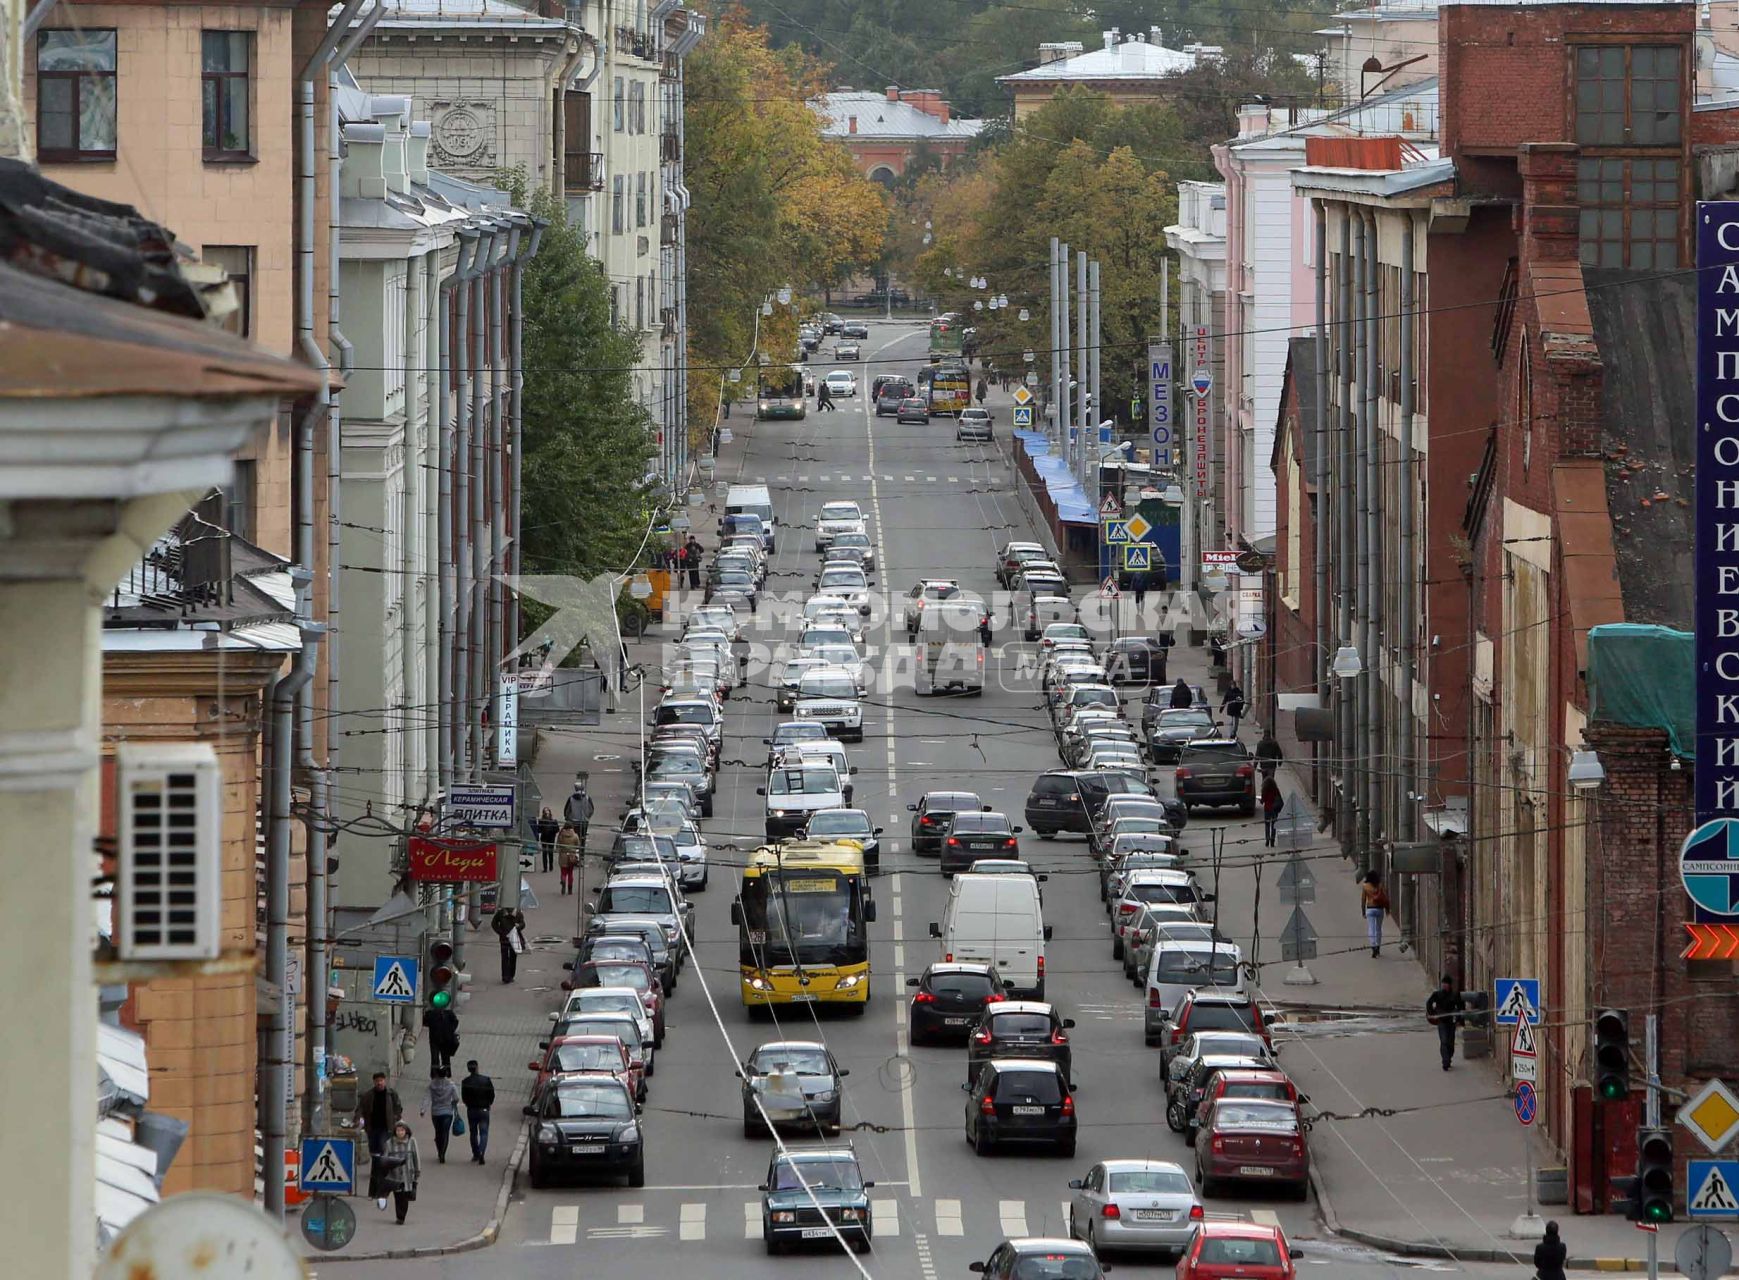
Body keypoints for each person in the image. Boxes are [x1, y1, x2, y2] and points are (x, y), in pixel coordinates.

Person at [354, 1071, 404, 1198]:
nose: (379, 1083)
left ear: (385, 1081)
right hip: (372, 1129)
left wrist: (396, 1118)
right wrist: (358, 1119)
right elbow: (360, 1109)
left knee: (381, 1153)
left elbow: (398, 1107)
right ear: (374, 1082)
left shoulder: (391, 1094)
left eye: (381, 1080)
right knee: (375, 1154)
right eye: (377, 1081)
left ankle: (379, 1183)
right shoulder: (369, 1095)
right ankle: (377, 1183)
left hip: (386, 1129)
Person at [380, 1120, 421, 1223]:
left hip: (408, 1174)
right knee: (398, 1197)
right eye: (398, 1130)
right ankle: (400, 1217)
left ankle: (402, 1216)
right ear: (395, 1131)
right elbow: (385, 1159)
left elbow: (416, 1157)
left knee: (405, 1198)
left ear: (406, 1131)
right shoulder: (389, 1143)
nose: (400, 1132)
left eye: (402, 1130)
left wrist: (417, 1170)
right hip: (395, 1175)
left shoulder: (412, 1141)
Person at [1425, 975, 1466, 1072]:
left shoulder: (1455, 995)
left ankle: (1449, 1057)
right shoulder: (1437, 994)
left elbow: (1461, 1008)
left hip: (1451, 1021)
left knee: (1450, 1042)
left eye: (1446, 984)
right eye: (1443, 984)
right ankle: (1445, 1061)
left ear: (1449, 985)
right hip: (1441, 1021)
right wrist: (1432, 1013)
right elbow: (1429, 1003)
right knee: (1444, 1041)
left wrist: (1460, 1020)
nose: (1444, 986)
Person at [460, 1059, 496, 1164]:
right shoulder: (486, 1080)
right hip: (484, 1109)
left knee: (473, 1133)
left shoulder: (465, 1081)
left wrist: (468, 1104)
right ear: (477, 1068)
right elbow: (492, 1094)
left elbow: (464, 1097)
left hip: (471, 1110)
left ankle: (476, 1154)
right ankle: (481, 1152)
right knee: (484, 1132)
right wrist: (489, 1103)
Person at [421, 1066, 459, 1162]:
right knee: (445, 1133)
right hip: (447, 1112)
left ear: (437, 1074)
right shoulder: (451, 1085)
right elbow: (456, 1098)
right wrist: (452, 1103)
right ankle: (443, 1153)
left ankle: (439, 1151)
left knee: (438, 1132)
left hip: (436, 1112)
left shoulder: (431, 1085)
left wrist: (423, 1110)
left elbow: (427, 1098)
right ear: (446, 1074)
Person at [491, 904, 526, 983]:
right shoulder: (501, 913)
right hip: (504, 939)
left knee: (513, 957)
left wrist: (518, 926)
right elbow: (494, 924)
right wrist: (500, 932)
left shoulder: (518, 913)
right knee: (505, 957)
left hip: (514, 939)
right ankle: (505, 977)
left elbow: (523, 924)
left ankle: (511, 975)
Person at [421, 1001, 459, 1072]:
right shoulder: (431, 1014)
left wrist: (450, 1030)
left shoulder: (449, 1013)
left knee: (445, 1058)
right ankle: (435, 1074)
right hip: (435, 1040)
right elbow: (425, 1022)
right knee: (435, 1059)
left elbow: (455, 1022)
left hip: (446, 1040)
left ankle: (447, 1073)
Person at [1360, 869, 1390, 957]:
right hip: (1379, 909)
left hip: (1370, 909)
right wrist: (1387, 909)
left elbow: (1363, 900)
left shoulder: (1365, 886)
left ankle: (1373, 946)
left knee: (1371, 928)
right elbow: (1385, 898)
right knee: (1378, 929)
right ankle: (1378, 946)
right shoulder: (1379, 885)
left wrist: (1363, 911)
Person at [564, 777, 594, 850]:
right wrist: (587, 817)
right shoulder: (587, 798)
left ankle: (574, 854)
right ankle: (582, 854)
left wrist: (567, 818)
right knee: (583, 839)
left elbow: (567, 810)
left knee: (574, 838)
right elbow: (591, 809)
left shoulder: (571, 798)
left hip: (573, 822)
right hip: (584, 822)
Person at [531, 806, 559, 873]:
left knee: (550, 853)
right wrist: (542, 830)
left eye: (548, 811)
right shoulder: (541, 821)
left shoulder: (554, 821)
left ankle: (551, 866)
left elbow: (557, 829)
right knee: (544, 853)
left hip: (551, 838)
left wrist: (552, 831)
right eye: (545, 812)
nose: (547, 813)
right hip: (544, 838)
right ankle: (545, 868)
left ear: (550, 813)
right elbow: (539, 829)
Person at [556, 821, 581, 895]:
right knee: (570, 873)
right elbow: (578, 845)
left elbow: (558, 844)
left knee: (563, 872)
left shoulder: (561, 835)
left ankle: (563, 883)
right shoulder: (575, 836)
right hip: (572, 855)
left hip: (563, 855)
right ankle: (570, 889)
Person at [1260, 777, 1284, 847]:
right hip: (1274, 809)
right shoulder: (1275, 790)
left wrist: (1261, 800)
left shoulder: (1264, 790)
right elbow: (1280, 798)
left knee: (1267, 825)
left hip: (1267, 809)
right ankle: (1272, 841)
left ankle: (1267, 839)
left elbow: (1262, 801)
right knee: (1273, 825)